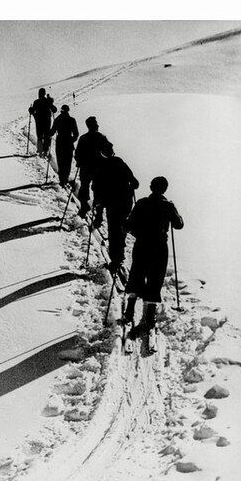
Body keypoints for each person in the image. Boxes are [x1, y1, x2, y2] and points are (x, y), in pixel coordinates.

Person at [123, 176, 185, 331]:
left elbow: (129, 224)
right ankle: (150, 315)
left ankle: (129, 310)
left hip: (142, 243)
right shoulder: (168, 206)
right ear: (165, 189)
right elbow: (179, 225)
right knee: (155, 277)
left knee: (137, 272)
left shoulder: (142, 203)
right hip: (159, 246)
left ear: (151, 187)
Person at [91, 145, 139, 275]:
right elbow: (135, 183)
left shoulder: (101, 166)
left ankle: (115, 259)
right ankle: (120, 255)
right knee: (121, 227)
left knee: (113, 229)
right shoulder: (121, 163)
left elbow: (96, 186)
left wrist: (98, 206)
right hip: (125, 202)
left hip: (111, 202)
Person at [73, 116, 112, 218]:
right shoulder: (101, 137)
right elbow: (109, 153)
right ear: (95, 126)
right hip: (99, 168)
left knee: (84, 187)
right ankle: (98, 213)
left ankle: (84, 207)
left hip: (85, 167)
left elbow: (77, 154)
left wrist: (79, 161)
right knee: (98, 190)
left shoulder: (83, 138)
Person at [50, 105, 79, 186]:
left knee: (60, 161)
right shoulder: (72, 120)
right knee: (67, 162)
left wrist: (48, 134)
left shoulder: (57, 119)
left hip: (60, 143)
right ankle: (65, 177)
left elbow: (52, 132)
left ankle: (61, 178)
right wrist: (71, 140)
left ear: (61, 111)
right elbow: (76, 134)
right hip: (68, 143)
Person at [28, 88, 57, 157]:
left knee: (39, 135)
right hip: (47, 121)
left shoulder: (36, 102)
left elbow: (32, 111)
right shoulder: (47, 101)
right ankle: (46, 150)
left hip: (39, 121)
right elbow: (54, 110)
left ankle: (40, 150)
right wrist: (51, 102)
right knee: (47, 135)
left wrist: (30, 109)